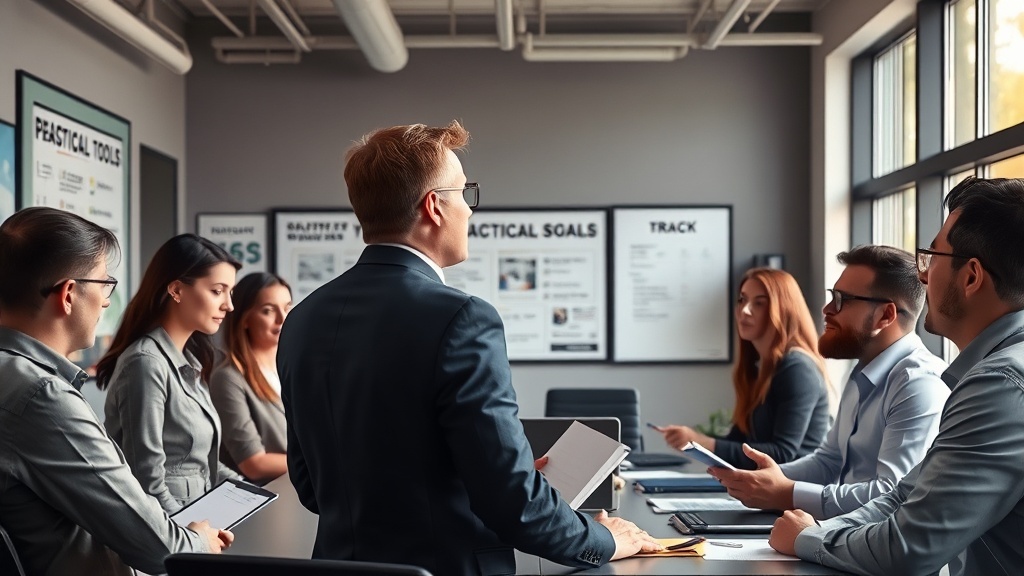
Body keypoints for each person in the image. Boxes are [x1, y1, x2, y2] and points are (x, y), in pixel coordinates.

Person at [278, 121, 661, 576]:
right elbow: (514, 506)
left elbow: (312, 488)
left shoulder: (302, 319)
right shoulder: (462, 317)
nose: (470, 210)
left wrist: (479, 472)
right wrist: (605, 540)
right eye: (464, 192)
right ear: (434, 206)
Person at [770, 177, 1024, 575]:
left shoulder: (1000, 383)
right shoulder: (993, 374)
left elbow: (910, 547)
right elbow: (904, 496)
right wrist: (817, 531)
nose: (922, 276)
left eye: (932, 257)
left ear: (971, 277)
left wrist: (810, 539)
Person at [0, 207, 231, 575]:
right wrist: (199, 541)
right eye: (104, 283)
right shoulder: (42, 396)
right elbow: (161, 548)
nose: (107, 300)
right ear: (69, 294)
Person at [710, 245, 949, 519]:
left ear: (885, 316)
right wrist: (760, 479)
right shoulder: (863, 371)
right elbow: (829, 461)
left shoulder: (918, 384)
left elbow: (891, 496)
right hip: (842, 533)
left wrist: (787, 492)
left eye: (842, 300)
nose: (826, 309)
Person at [97, 234, 242, 513]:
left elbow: (202, 465)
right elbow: (147, 482)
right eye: (217, 291)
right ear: (176, 290)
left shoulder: (188, 362)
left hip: (197, 520)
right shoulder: (145, 363)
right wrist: (188, 534)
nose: (229, 305)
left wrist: (251, 493)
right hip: (172, 528)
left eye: (230, 292)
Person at [655, 267, 831, 469]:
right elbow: (738, 442)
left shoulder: (797, 369)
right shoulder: (759, 368)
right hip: (766, 485)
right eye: (742, 300)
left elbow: (782, 454)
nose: (744, 310)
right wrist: (694, 442)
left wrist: (703, 442)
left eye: (759, 303)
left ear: (783, 310)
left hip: (795, 487)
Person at [210, 272, 292, 483]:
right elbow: (254, 464)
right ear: (245, 319)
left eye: (287, 308)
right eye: (268, 310)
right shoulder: (228, 378)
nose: (282, 318)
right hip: (264, 495)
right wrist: (320, 462)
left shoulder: (292, 369)